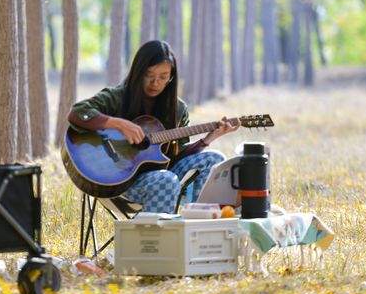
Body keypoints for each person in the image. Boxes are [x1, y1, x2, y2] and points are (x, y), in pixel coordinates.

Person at [67, 40, 239, 213]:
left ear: (171, 78)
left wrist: (208, 139)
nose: (155, 82)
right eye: (149, 75)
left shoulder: (178, 110)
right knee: (166, 180)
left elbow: (177, 157)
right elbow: (78, 112)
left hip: (163, 177)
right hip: (120, 183)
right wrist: (118, 124)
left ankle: (197, 224)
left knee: (215, 159)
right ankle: (156, 239)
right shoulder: (118, 97)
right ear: (138, 72)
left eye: (163, 77)